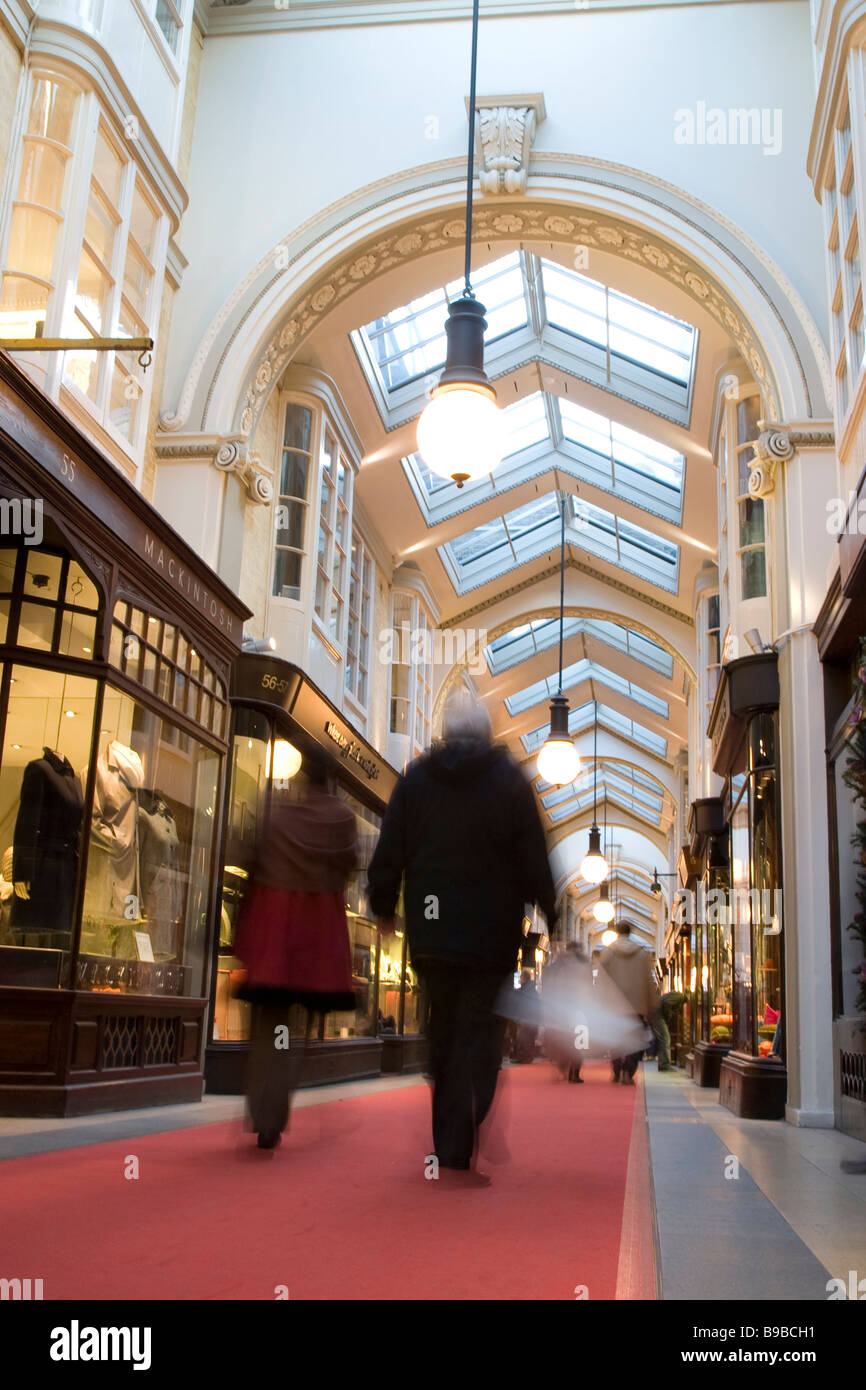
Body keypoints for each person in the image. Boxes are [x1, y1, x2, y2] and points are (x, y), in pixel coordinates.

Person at [367, 689, 557, 1187]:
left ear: (445, 730)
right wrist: (549, 908)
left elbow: (391, 847)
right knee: (480, 1030)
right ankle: (473, 1103)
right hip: (490, 938)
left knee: (444, 1030)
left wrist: (383, 904)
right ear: (487, 732)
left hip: (433, 937)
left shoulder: (416, 781)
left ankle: (450, 1144)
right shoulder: (509, 783)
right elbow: (533, 855)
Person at [233, 746, 358, 1149]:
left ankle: (263, 1109)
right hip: (316, 930)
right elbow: (349, 866)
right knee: (296, 1030)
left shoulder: (277, 812)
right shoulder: (342, 819)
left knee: (269, 1023)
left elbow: (251, 861)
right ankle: (277, 1106)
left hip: (274, 927)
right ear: (331, 780)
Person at [599, 919, 659, 1085]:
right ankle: (628, 1072)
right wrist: (651, 1005)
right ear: (630, 932)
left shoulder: (607, 953)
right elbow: (648, 981)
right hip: (636, 1006)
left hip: (613, 1007)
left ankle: (617, 1071)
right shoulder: (641, 954)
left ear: (617, 932)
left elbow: (602, 981)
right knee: (635, 1042)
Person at [542, 944, 592, 1082]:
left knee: (563, 1038)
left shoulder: (556, 964)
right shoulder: (584, 965)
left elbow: (549, 987)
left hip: (560, 1009)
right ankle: (575, 1072)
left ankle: (563, 1064)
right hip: (578, 1009)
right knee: (579, 1041)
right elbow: (588, 989)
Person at [652, 989, 686, 1071]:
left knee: (663, 1039)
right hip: (658, 1016)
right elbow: (667, 1003)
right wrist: (668, 1015)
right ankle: (665, 1065)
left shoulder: (677, 995)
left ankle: (662, 1064)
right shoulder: (680, 997)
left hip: (656, 1014)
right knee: (665, 1039)